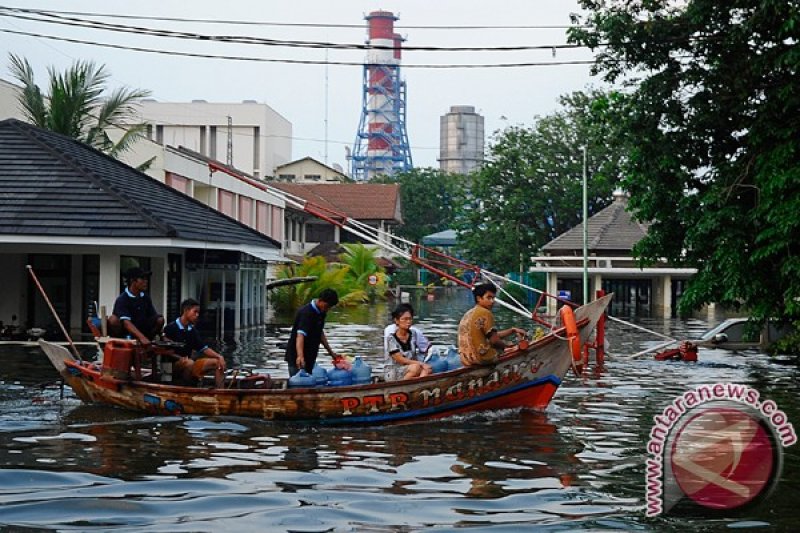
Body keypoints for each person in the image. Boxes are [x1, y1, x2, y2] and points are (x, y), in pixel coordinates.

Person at [458, 282, 527, 366]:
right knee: (509, 346)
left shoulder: (469, 313)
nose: (492, 301)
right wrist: (508, 347)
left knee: (500, 344)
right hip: (481, 358)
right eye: (489, 298)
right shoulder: (485, 313)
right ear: (479, 298)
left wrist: (512, 330)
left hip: (466, 359)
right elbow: (494, 341)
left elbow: (492, 335)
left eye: (493, 298)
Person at [162, 298, 227, 387]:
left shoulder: (192, 330)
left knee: (218, 362)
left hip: (189, 363)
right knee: (189, 363)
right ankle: (188, 388)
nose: (197, 315)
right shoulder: (170, 328)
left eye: (198, 313)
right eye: (195, 312)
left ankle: (221, 392)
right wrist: (180, 359)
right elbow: (164, 352)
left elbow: (203, 348)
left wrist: (219, 356)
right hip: (171, 367)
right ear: (186, 310)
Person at [284, 289, 340, 376]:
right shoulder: (306, 313)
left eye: (329, 307)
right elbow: (300, 335)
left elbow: (319, 333)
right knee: (298, 383)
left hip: (310, 356)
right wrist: (300, 356)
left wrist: (331, 353)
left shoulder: (321, 312)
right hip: (296, 357)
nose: (327, 309)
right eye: (326, 306)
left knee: (308, 382)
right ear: (320, 300)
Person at [108, 267, 164, 346]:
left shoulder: (145, 297)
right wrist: (141, 338)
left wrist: (162, 335)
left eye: (146, 279)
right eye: (142, 279)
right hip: (127, 333)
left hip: (144, 330)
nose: (146, 282)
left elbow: (153, 316)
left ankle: (150, 341)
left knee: (160, 320)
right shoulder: (122, 299)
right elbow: (126, 323)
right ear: (132, 281)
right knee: (113, 319)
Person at [384, 304, 432, 381]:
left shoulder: (414, 334)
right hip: (393, 371)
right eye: (405, 319)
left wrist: (422, 365)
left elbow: (426, 349)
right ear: (397, 321)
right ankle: (401, 387)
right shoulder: (391, 338)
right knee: (416, 367)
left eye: (410, 319)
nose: (408, 322)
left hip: (410, 367)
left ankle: (417, 386)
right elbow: (400, 359)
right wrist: (421, 364)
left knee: (428, 369)